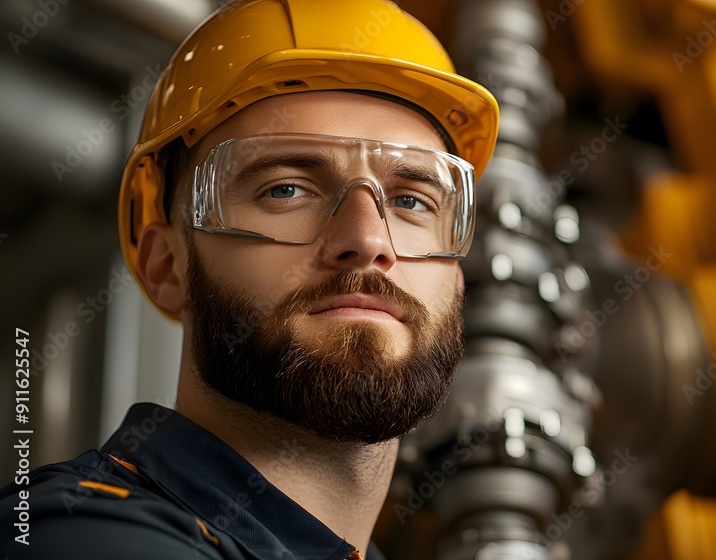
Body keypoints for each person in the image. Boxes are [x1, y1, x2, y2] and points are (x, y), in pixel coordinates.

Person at [1, 0, 499, 558]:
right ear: (168, 265)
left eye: (411, 200)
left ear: (457, 279)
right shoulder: (80, 536)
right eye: (285, 189)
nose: (370, 240)